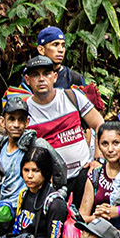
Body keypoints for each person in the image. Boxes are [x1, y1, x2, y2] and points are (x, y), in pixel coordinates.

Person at [21, 55, 102, 199]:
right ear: (27, 80)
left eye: (46, 74)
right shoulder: (24, 109)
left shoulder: (72, 96)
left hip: (83, 175)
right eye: (35, 75)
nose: (41, 79)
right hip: (49, 184)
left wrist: (98, 159)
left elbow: (99, 124)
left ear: (55, 77)